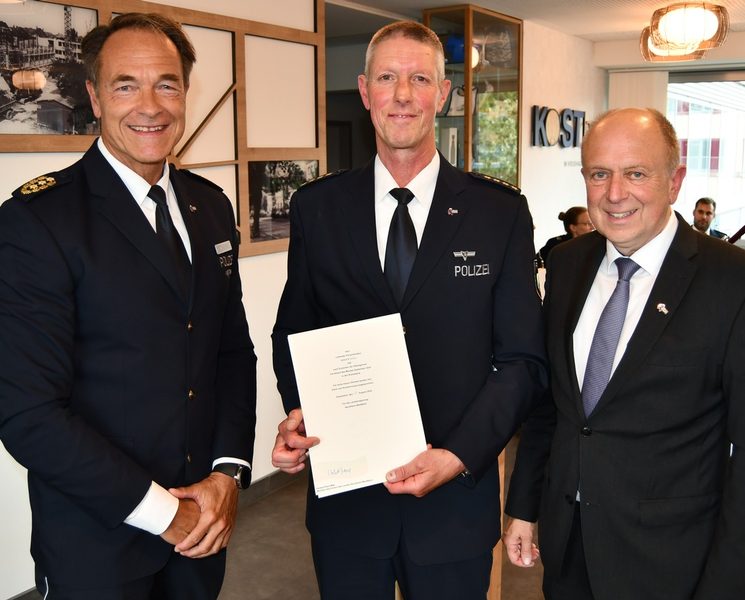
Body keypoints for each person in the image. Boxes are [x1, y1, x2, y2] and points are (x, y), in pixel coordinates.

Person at [270, 21, 549, 600]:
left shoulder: (499, 213)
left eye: (420, 79)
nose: (402, 95)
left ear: (442, 95)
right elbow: (294, 332)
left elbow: (522, 361)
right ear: (364, 90)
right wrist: (301, 409)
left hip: (454, 504)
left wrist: (459, 456)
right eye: (387, 78)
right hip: (348, 505)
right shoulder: (318, 207)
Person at [0, 13, 257, 599]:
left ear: (185, 93)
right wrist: (165, 514)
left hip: (202, 533)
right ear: (94, 97)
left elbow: (230, 352)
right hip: (98, 545)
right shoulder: (38, 221)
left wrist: (227, 472)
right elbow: (27, 412)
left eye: (167, 84)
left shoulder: (211, 208)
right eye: (126, 86)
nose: (151, 106)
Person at [503, 108, 745, 600]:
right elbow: (552, 405)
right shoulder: (566, 264)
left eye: (636, 173)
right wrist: (525, 506)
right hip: (566, 550)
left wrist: (728, 588)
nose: (615, 194)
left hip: (670, 565)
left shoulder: (740, 285)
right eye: (600, 174)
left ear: (675, 181)